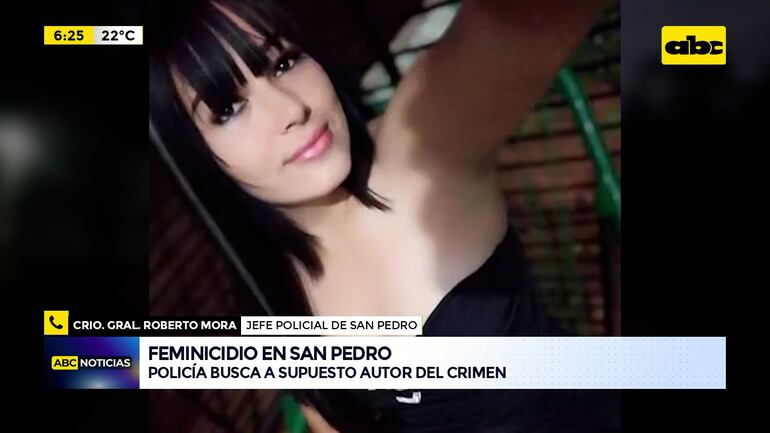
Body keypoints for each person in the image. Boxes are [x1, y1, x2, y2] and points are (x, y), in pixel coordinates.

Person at [149, 0, 619, 431]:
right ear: (194, 157)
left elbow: (522, 23)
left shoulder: (421, 152)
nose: (292, 109)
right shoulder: (269, 288)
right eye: (228, 108)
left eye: (284, 62)